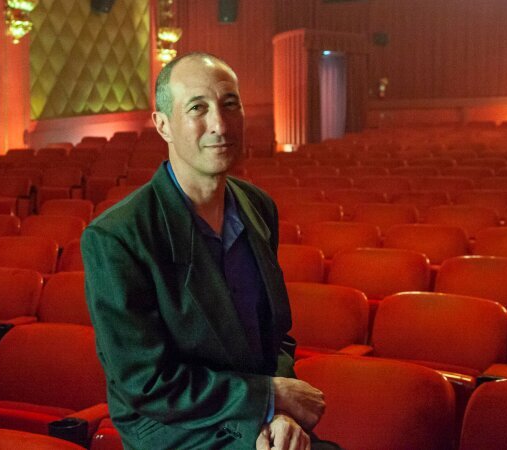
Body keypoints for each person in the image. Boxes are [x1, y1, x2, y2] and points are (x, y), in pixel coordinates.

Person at [81, 53, 332, 450]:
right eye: (198, 108)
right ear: (163, 125)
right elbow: (146, 382)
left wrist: (279, 412)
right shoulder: (117, 236)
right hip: (174, 429)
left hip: (256, 415)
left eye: (230, 105)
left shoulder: (258, 206)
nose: (220, 124)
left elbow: (275, 335)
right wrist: (268, 398)